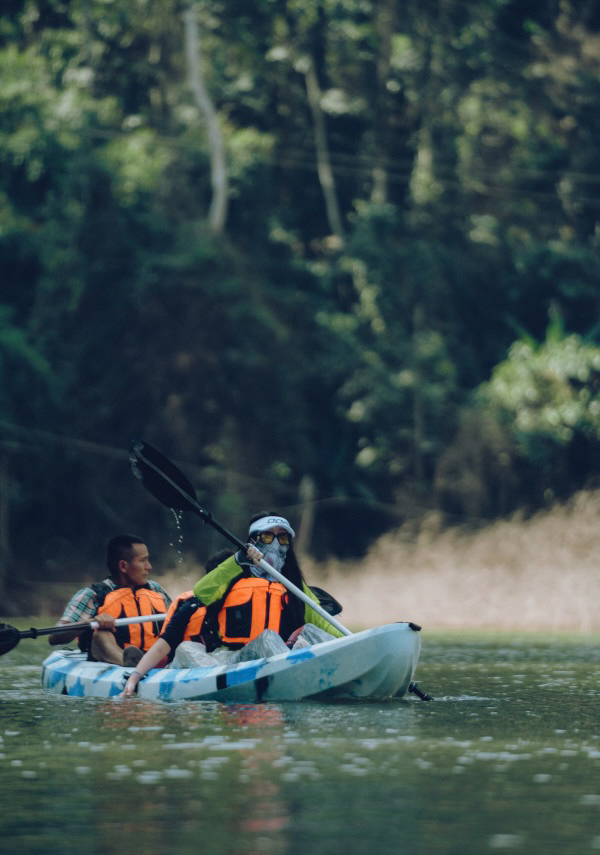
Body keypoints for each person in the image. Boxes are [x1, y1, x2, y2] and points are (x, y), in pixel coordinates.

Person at [122, 513, 343, 697]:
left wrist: (351, 645)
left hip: (272, 661)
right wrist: (135, 676)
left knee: (311, 630)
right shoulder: (232, 576)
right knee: (195, 646)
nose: (276, 543)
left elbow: (324, 623)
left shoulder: (294, 586)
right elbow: (201, 593)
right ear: (253, 541)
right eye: (267, 536)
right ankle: (298, 677)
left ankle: (327, 673)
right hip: (230, 663)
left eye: (283, 537)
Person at [48, 534, 172, 667]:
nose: (149, 566)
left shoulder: (155, 589)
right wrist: (92, 621)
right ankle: (130, 663)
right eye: (143, 561)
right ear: (123, 566)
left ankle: (160, 662)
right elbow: (55, 637)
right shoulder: (93, 595)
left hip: (156, 656)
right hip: (114, 660)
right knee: (101, 635)